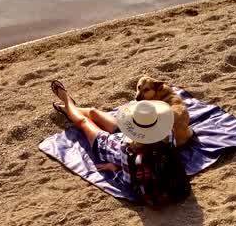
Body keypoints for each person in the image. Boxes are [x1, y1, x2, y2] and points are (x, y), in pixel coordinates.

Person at [51, 80, 192, 206]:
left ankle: (67, 101)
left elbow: (127, 181)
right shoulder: (167, 132)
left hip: (110, 146)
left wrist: (114, 167)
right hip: (132, 139)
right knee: (93, 112)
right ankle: (71, 110)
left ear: (133, 125)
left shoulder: (128, 150)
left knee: (84, 122)